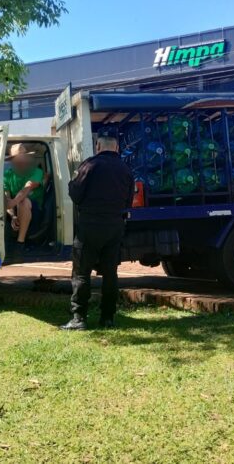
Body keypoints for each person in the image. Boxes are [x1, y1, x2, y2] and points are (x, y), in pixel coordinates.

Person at [61, 132, 134, 331]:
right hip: (115, 226)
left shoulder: (89, 165)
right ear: (117, 148)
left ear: (98, 147)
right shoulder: (126, 170)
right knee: (111, 273)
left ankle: (79, 318)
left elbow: (75, 194)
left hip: (90, 226)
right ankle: (108, 318)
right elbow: (129, 201)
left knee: (81, 273)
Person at [3, 143, 44, 256]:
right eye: (17, 160)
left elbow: (28, 186)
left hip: (36, 212)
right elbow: (6, 198)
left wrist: (12, 203)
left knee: (24, 201)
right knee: (19, 203)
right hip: (16, 210)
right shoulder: (7, 175)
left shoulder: (37, 172)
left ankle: (20, 244)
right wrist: (12, 216)